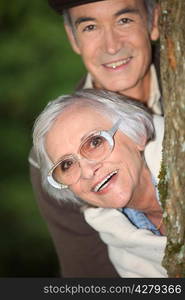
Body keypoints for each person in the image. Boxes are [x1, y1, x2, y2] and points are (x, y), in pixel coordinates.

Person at [29, 0, 162, 277]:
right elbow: (89, 274)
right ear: (73, 39)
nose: (111, 46)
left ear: (153, 22)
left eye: (124, 20)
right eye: (90, 27)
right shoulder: (51, 158)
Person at [33, 88, 167, 277]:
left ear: (137, 133)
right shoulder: (124, 256)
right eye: (67, 165)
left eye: (94, 143)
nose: (87, 172)